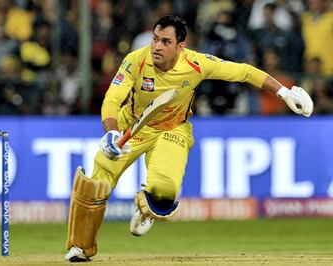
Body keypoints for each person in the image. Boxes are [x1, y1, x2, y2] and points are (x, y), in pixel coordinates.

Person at [64, 15, 313, 262]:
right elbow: (112, 98)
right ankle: (81, 248)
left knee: (164, 192)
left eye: (165, 41)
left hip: (173, 129)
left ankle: (148, 208)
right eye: (154, 39)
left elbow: (244, 72)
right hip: (131, 129)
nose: (157, 46)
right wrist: (111, 131)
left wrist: (283, 91)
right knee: (94, 184)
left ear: (180, 46)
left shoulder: (197, 63)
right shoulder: (135, 60)